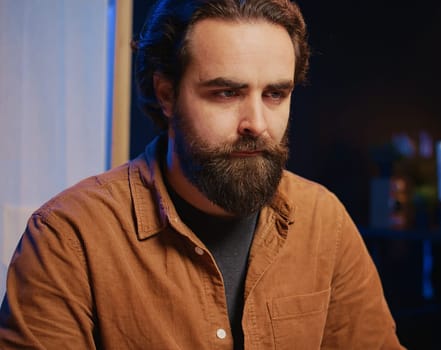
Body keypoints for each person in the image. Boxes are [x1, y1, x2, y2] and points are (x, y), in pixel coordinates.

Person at [0, 0, 404, 348]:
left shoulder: (324, 222)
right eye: (227, 93)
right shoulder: (70, 239)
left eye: (275, 94)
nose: (257, 123)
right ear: (166, 94)